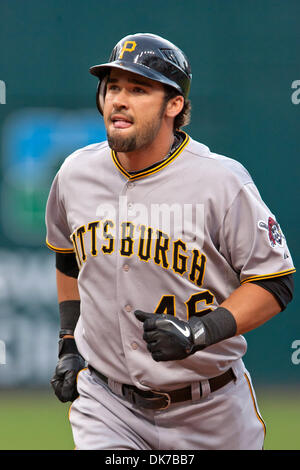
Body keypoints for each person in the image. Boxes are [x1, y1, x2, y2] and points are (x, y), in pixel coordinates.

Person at [45, 33, 295, 450]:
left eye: (138, 89)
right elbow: (68, 258)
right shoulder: (75, 173)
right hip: (107, 405)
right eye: (113, 87)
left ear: (174, 105)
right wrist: (68, 343)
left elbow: (275, 282)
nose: (118, 99)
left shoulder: (221, 181)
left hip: (210, 408)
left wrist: (200, 331)